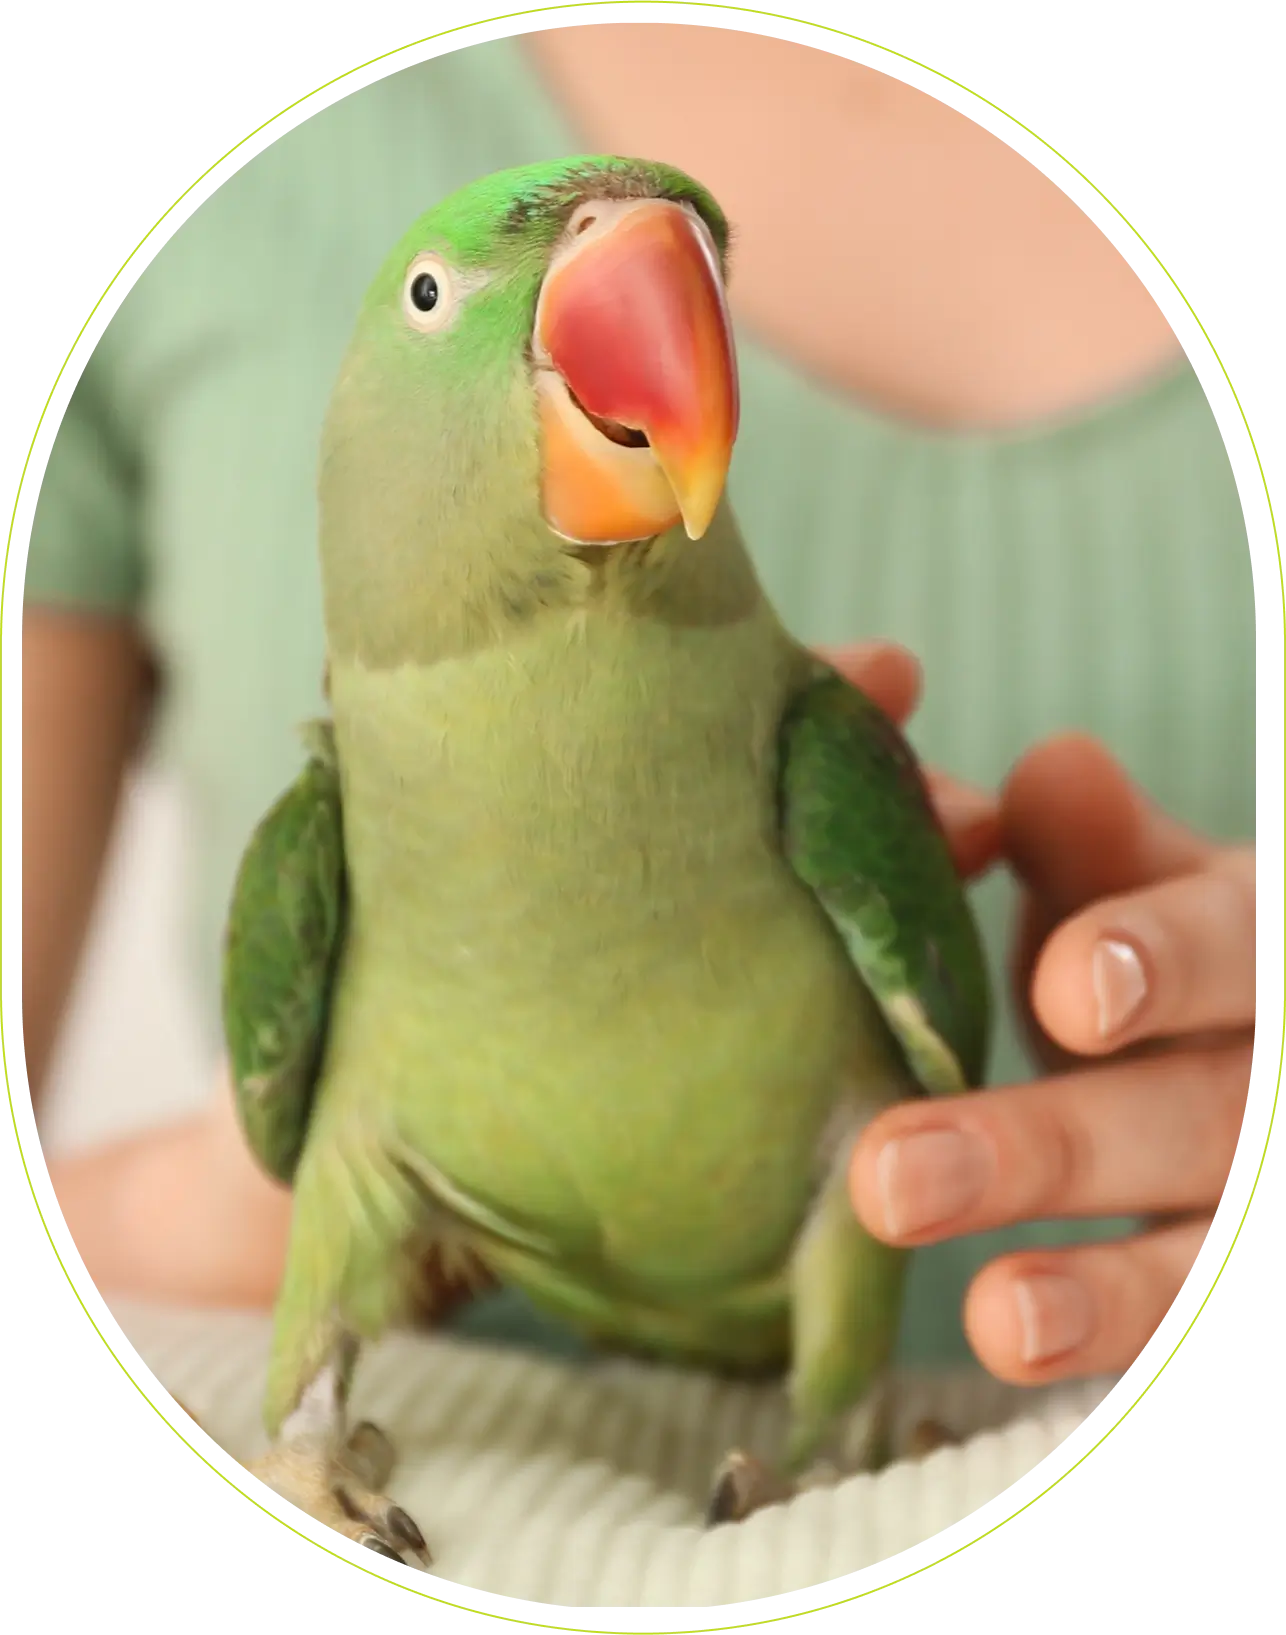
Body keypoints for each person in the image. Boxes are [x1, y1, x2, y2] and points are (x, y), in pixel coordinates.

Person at [20, 22, 1256, 1392]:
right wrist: (226, 1202)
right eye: (438, 297)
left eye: (689, 278)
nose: (626, 278)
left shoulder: (821, 760)